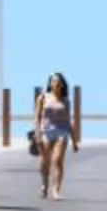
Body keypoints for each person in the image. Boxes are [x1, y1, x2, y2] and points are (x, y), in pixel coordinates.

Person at [33, 71, 76, 199]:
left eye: (58, 81)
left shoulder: (66, 101)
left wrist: (74, 141)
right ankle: (44, 185)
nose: (55, 83)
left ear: (62, 85)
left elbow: (68, 121)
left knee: (57, 161)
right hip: (46, 132)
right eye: (53, 81)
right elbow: (37, 117)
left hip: (62, 132)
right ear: (50, 84)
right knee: (45, 161)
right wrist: (37, 133)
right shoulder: (42, 98)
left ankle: (56, 190)